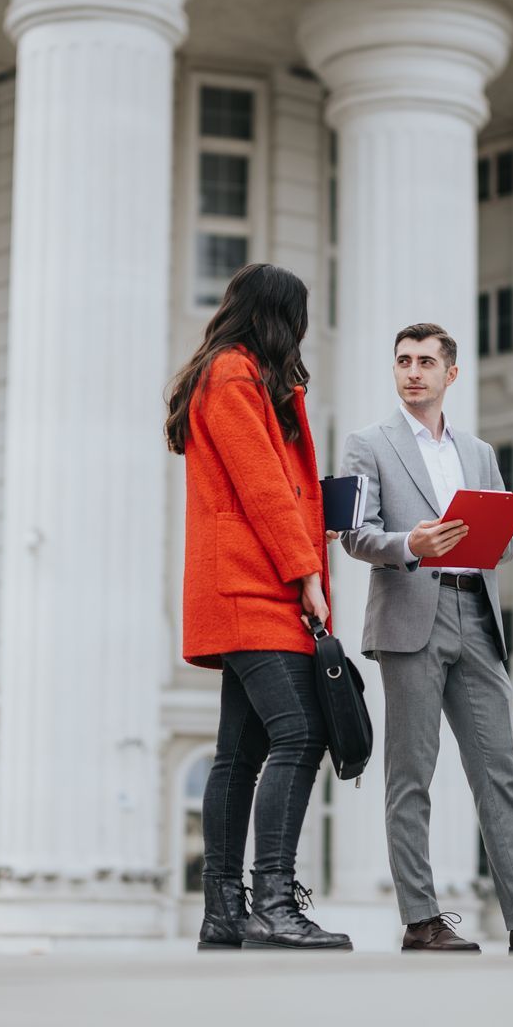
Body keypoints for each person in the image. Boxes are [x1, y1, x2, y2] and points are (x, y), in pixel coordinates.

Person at [339, 324, 513, 954]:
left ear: (449, 375)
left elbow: (506, 541)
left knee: (499, 772)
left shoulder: (479, 451)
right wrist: (412, 543)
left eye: (426, 362)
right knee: (411, 774)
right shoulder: (368, 445)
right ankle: (420, 919)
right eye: (404, 361)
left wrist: (493, 535)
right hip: (411, 616)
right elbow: (356, 536)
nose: (413, 372)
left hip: (478, 618)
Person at [168, 263, 351, 951]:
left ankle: (224, 913)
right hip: (254, 583)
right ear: (280, 317)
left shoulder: (235, 377)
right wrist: (306, 572)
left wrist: (316, 524)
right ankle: (273, 900)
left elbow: (279, 487)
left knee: (239, 753)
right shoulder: (234, 376)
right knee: (300, 735)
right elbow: (262, 487)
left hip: (250, 577)